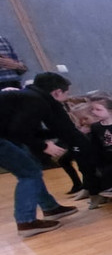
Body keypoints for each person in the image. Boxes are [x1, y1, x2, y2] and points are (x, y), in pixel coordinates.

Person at [0, 71, 79, 237]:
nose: (66, 98)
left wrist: (55, 135)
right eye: (66, 94)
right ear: (57, 92)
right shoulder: (36, 101)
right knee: (29, 173)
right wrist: (43, 146)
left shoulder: (29, 96)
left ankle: (50, 207)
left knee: (31, 168)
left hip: (5, 136)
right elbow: (18, 131)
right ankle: (26, 221)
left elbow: (26, 130)